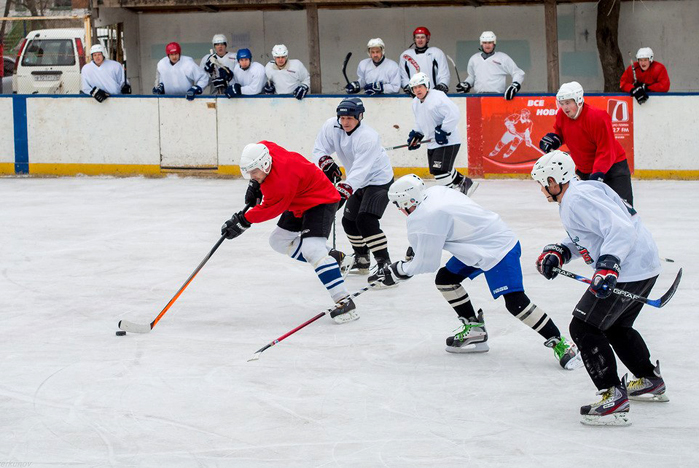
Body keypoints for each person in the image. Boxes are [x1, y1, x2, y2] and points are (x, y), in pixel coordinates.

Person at [384, 174, 581, 369]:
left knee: (516, 303)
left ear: (407, 201)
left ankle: (561, 343)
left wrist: (399, 271)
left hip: (498, 249)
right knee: (446, 279)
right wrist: (417, 247)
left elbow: (426, 263)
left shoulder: (426, 215)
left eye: (399, 205)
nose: (400, 209)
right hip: (478, 244)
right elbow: (434, 233)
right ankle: (475, 330)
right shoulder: (435, 192)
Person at [531, 150, 667, 426]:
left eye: (543, 182)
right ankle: (649, 380)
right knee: (616, 327)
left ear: (555, 180)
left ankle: (613, 396)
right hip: (642, 265)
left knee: (583, 327)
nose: (542, 189)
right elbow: (590, 233)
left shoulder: (577, 199)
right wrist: (560, 251)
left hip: (628, 268)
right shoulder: (583, 191)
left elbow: (620, 229)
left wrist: (609, 266)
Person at [220, 142, 358, 323]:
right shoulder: (265, 150)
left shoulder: (280, 184)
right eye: (249, 172)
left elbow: (269, 209)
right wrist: (254, 185)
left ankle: (344, 301)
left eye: (254, 172)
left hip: (321, 201)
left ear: (265, 165)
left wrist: (242, 221)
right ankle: (336, 259)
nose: (251, 176)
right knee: (278, 241)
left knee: (312, 250)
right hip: (299, 199)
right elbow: (264, 144)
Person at [313, 97, 396, 285]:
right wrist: (325, 161)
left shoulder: (369, 136)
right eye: (342, 118)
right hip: (357, 181)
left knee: (366, 220)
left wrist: (342, 191)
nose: (345, 122)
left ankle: (385, 263)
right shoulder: (331, 126)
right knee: (349, 221)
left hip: (378, 180)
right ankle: (362, 259)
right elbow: (319, 148)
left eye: (350, 118)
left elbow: (360, 170)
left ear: (360, 116)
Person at [539, 81, 634, 206]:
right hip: (584, 171)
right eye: (562, 104)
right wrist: (554, 140)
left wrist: (597, 174)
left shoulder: (597, 117)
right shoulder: (561, 115)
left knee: (623, 209)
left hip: (613, 169)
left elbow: (606, 149)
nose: (565, 107)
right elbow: (561, 133)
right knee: (590, 211)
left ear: (578, 101)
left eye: (568, 103)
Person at [406, 72, 478, 196]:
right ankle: (465, 182)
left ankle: (448, 197)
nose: (417, 90)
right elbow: (420, 121)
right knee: (438, 169)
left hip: (448, 140)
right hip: (433, 142)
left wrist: (444, 130)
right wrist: (417, 135)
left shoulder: (437, 97)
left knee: (440, 170)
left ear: (427, 86)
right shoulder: (415, 103)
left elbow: (454, 113)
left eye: (420, 86)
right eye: (414, 88)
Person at [457, 31, 525, 100]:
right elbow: (472, 77)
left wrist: (514, 86)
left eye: (490, 42)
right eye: (485, 43)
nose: (487, 45)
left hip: (498, 98)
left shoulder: (503, 57)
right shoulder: (474, 58)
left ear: (494, 43)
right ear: (481, 43)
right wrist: (467, 84)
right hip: (478, 98)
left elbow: (518, 73)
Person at [399, 27, 450, 94]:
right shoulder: (406, 55)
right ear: (414, 39)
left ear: (427, 38)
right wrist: (408, 87)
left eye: (422, 37)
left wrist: (442, 85)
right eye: (417, 37)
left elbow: (444, 73)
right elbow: (403, 76)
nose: (420, 40)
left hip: (434, 95)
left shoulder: (436, 53)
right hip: (414, 96)